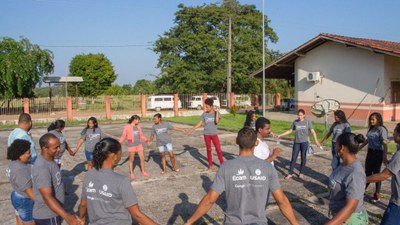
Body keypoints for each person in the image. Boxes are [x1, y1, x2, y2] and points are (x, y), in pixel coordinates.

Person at [184, 127, 299, 225]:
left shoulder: (226, 167)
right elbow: (282, 201)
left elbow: (209, 199)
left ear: (236, 141)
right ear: (256, 143)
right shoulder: (268, 167)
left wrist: (189, 222)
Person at [78, 138, 158, 225]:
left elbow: (83, 204)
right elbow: (136, 215)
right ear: (114, 156)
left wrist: (82, 218)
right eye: (120, 153)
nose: (120, 156)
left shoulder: (88, 175)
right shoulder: (122, 181)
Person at [32, 133, 83, 225]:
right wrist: (67, 217)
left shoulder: (51, 161)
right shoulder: (42, 167)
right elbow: (47, 197)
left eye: (59, 146)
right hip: (48, 215)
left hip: (54, 213)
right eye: (55, 148)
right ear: (44, 148)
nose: (59, 150)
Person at [326, 133, 368, 225]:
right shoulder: (343, 164)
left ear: (342, 148)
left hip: (350, 220)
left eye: (336, 145)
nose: (334, 147)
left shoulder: (355, 173)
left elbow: (351, 207)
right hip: (340, 216)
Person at [367, 123, 400, 225]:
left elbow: (384, 175)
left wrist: (362, 179)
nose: (393, 134)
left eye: (394, 132)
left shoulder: (399, 155)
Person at [278, 109, 321, 179]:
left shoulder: (307, 122)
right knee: (293, 158)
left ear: (304, 115)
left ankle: (301, 172)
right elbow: (290, 131)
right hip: (296, 142)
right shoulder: (295, 122)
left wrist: (316, 141)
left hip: (304, 142)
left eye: (301, 115)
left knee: (303, 157)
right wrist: (280, 135)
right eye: (298, 115)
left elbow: (313, 132)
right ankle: (290, 173)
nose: (299, 116)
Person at [188, 98, 224, 171]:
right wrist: (192, 129)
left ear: (211, 106)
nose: (206, 108)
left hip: (214, 135)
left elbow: (217, 121)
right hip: (206, 135)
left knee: (218, 150)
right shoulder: (204, 114)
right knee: (208, 150)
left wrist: (217, 112)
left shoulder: (216, 113)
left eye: (207, 107)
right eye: (205, 106)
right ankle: (210, 165)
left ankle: (222, 165)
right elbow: (200, 123)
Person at [359, 112, 388, 202]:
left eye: (373, 119)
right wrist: (359, 148)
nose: (371, 121)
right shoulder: (372, 129)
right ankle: (362, 191)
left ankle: (377, 193)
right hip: (370, 152)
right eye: (370, 119)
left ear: (378, 120)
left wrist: (384, 156)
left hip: (378, 153)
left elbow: (385, 144)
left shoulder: (381, 129)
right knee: (367, 172)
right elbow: (367, 140)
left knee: (376, 173)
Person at [6, 139, 35, 225]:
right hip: (25, 200)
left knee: (20, 219)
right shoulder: (20, 170)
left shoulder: (13, 163)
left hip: (16, 194)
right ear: (20, 155)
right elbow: (30, 192)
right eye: (28, 153)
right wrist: (42, 205)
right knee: (31, 222)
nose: (30, 155)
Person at [119, 115, 151, 180]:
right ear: (134, 120)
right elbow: (123, 136)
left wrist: (146, 140)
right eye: (138, 120)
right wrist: (119, 143)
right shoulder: (127, 126)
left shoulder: (138, 126)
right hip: (131, 145)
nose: (139, 121)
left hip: (139, 145)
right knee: (131, 160)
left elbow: (141, 136)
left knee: (142, 158)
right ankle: (131, 173)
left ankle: (143, 172)